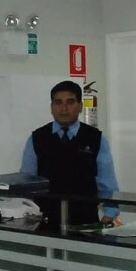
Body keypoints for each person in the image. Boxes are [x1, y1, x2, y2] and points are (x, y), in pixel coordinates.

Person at [20, 80, 120, 225]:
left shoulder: (96, 138)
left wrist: (109, 213)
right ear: (52, 107)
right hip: (45, 219)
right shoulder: (37, 138)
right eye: (58, 102)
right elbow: (27, 181)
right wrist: (25, 212)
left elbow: (107, 182)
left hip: (86, 219)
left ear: (80, 106)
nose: (64, 108)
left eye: (70, 102)